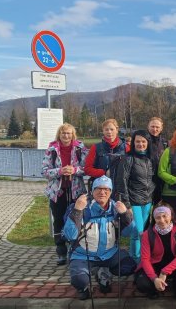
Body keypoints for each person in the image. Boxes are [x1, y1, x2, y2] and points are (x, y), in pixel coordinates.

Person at [63, 176, 136, 300]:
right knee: (79, 280)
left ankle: (103, 273)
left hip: (109, 253)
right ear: (92, 191)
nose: (102, 192)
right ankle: (83, 287)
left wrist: (125, 214)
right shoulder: (81, 207)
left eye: (106, 189)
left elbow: (129, 233)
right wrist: (77, 210)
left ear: (111, 191)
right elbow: (70, 235)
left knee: (129, 266)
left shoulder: (116, 208)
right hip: (83, 255)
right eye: (98, 189)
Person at [41, 123, 88, 266]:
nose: (66, 136)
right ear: (59, 135)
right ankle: (61, 251)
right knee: (59, 221)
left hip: (76, 191)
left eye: (68, 133)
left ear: (73, 135)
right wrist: (60, 171)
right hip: (58, 192)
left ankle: (75, 249)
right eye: (63, 133)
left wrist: (74, 170)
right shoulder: (51, 149)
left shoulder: (80, 148)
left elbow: (87, 167)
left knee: (76, 220)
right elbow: (44, 171)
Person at [114, 129, 155, 263]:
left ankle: (137, 257)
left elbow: (152, 180)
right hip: (134, 201)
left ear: (148, 143)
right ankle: (137, 260)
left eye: (143, 141)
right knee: (139, 231)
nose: (140, 144)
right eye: (137, 141)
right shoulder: (127, 159)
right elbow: (122, 182)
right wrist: (127, 204)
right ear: (133, 143)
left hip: (147, 201)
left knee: (142, 233)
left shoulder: (150, 159)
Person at [134, 203, 176, 300]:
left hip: (173, 265)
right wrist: (154, 278)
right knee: (142, 283)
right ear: (154, 219)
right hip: (155, 264)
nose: (162, 220)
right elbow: (145, 259)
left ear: (171, 216)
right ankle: (154, 288)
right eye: (158, 217)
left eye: (165, 216)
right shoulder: (147, 234)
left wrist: (164, 272)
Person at [84, 118, 129, 193]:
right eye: (106, 129)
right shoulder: (96, 147)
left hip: (121, 189)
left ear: (117, 130)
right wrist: (104, 173)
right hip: (101, 188)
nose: (109, 132)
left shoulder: (126, 147)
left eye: (112, 129)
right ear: (103, 131)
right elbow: (87, 169)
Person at [147, 117, 168, 204]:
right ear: (148, 127)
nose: (154, 129)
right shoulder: (143, 141)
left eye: (157, 127)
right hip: (147, 180)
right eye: (152, 126)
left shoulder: (165, 143)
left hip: (161, 181)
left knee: (159, 206)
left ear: (161, 128)